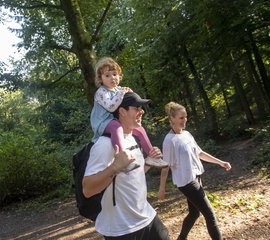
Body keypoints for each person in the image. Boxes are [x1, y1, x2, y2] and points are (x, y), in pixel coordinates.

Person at [83, 92, 171, 240]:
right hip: (121, 229)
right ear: (122, 112)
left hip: (146, 216)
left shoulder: (132, 138)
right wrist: (114, 168)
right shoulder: (104, 145)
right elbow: (87, 189)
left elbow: (131, 176)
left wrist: (148, 162)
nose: (141, 111)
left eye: (141, 108)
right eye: (136, 107)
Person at [158, 102, 232, 240]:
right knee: (209, 214)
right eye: (181, 118)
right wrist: (162, 188)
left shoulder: (186, 134)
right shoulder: (169, 140)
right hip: (186, 182)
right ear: (172, 119)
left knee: (194, 213)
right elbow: (165, 166)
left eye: (185, 117)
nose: (184, 120)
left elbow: (200, 153)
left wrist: (220, 162)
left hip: (196, 177)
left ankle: (181, 238)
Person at [90, 57, 168, 171]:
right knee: (116, 127)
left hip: (115, 120)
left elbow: (126, 99)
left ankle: (153, 156)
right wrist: (121, 93)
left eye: (115, 74)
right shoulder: (101, 92)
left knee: (140, 129)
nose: (112, 78)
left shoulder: (118, 90)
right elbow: (111, 107)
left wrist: (128, 93)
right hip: (103, 122)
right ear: (100, 79)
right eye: (107, 75)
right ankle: (123, 158)